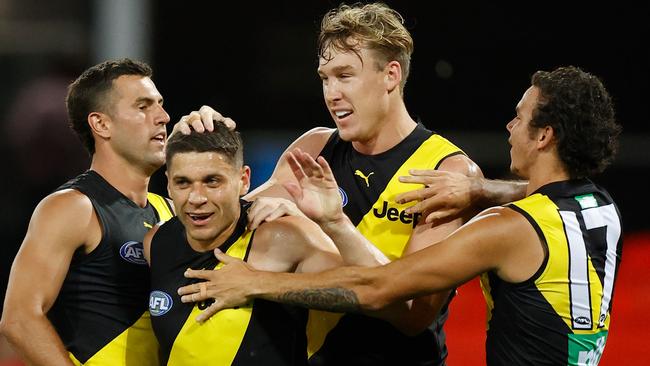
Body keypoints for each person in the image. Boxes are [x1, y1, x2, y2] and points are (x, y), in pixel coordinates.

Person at [178, 66, 623, 366]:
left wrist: (260, 283)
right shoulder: (601, 206)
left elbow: (384, 291)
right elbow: (541, 197)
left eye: (519, 118)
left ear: (544, 136)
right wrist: (482, 189)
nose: (508, 127)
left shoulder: (505, 228)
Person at [176, 3, 483, 365]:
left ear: (391, 75)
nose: (331, 93)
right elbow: (220, 227)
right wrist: (204, 146)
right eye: (325, 78)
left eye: (345, 75)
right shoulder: (314, 147)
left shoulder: (447, 171)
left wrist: (333, 224)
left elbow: (413, 314)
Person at [144, 125, 393, 365]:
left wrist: (334, 223)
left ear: (244, 180)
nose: (196, 198)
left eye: (212, 182)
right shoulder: (156, 242)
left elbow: (376, 291)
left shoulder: (282, 236)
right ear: (168, 184)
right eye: (183, 183)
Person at [0, 59, 179, 365]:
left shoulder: (170, 210)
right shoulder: (74, 207)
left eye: (160, 105)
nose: (163, 117)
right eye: (143, 106)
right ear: (101, 124)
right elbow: (19, 319)